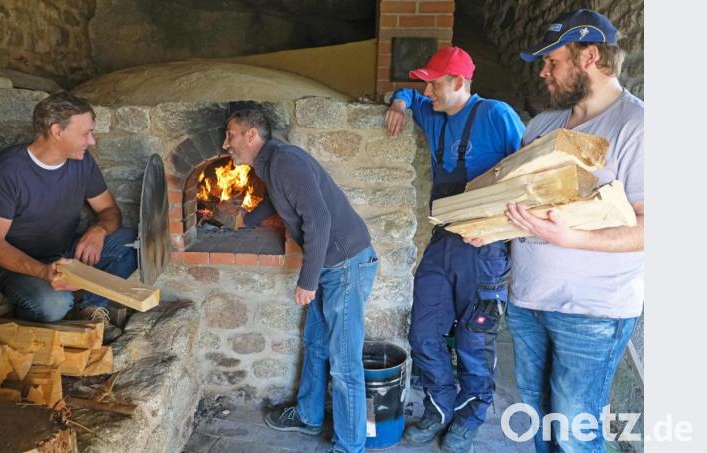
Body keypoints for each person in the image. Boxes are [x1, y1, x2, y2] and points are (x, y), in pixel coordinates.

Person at [464, 9, 644, 453]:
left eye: (552, 61)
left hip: (592, 312)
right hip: (527, 301)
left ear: (589, 57)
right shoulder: (542, 126)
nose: (543, 72)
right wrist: (487, 228)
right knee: (539, 423)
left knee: (575, 432)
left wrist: (572, 239)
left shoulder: (636, 127)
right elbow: (518, 206)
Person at [385, 47, 525, 451]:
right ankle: (439, 405)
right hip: (443, 240)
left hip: (485, 250)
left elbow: (526, 176)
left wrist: (503, 234)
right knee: (423, 333)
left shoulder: (497, 116)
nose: (426, 89)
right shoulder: (433, 112)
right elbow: (408, 95)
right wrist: (399, 99)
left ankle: (470, 415)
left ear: (459, 83)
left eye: (434, 82)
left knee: (473, 341)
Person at [222, 108, 378, 453]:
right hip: (332, 266)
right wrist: (247, 218)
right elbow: (280, 201)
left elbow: (319, 219)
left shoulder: (284, 162)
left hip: (346, 266)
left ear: (251, 135)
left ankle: (351, 446)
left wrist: (307, 281)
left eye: (230, 135)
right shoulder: (272, 163)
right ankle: (308, 416)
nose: (225, 143)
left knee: (343, 360)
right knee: (317, 341)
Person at [0, 92, 137, 342]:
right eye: (86, 133)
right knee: (53, 305)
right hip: (16, 263)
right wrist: (42, 272)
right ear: (57, 131)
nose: (92, 141)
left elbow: (109, 211)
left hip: (64, 252)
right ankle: (34, 313)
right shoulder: (5, 172)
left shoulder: (82, 163)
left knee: (133, 244)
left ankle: (91, 308)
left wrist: (99, 231)